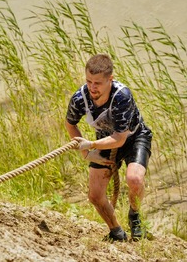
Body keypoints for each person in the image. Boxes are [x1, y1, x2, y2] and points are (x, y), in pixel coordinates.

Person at [65, 54, 153, 242]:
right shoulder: (80, 98)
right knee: (95, 195)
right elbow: (70, 124)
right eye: (89, 81)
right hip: (103, 140)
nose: (92, 87)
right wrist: (86, 153)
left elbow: (119, 139)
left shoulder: (122, 97)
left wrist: (92, 145)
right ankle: (116, 231)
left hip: (134, 138)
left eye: (97, 83)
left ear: (110, 80)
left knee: (134, 178)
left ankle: (134, 216)